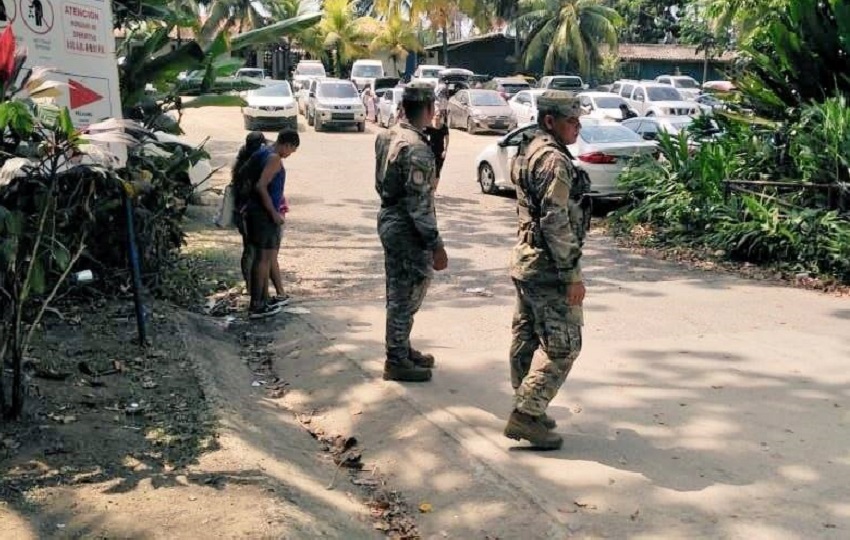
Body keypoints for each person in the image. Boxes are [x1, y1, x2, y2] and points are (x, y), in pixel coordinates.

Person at [504, 90, 591, 450]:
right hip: (548, 267)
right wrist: (572, 273)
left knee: (527, 336)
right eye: (572, 120)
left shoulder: (528, 149)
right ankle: (526, 413)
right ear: (550, 121)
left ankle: (529, 404)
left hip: (527, 259)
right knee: (563, 345)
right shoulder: (553, 160)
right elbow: (556, 221)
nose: (578, 126)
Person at [374, 83, 448, 382]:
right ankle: (396, 359)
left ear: (403, 107)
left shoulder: (385, 135)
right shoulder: (417, 149)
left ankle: (401, 348)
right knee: (406, 293)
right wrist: (436, 244)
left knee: (398, 288)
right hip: (407, 226)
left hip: (390, 216)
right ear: (429, 110)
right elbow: (419, 204)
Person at [245, 129, 300, 320]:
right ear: (288, 144)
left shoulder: (262, 152)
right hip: (263, 215)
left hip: (253, 211)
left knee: (261, 258)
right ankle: (258, 305)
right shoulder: (274, 158)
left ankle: (259, 301)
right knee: (264, 258)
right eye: (291, 151)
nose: (289, 155)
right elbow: (261, 186)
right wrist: (274, 213)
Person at [424, 112, 449, 187]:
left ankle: (435, 189)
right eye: (436, 115)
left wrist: (445, 150)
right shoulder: (429, 126)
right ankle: (429, 186)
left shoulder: (444, 127)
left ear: (441, 117)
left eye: (439, 116)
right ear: (433, 116)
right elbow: (423, 136)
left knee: (437, 170)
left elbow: (447, 139)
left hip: (440, 151)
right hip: (430, 151)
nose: (437, 117)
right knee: (429, 170)